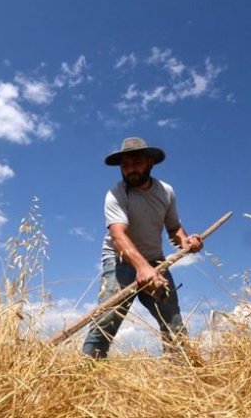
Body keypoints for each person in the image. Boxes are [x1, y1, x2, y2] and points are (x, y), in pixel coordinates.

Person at [82, 137, 203, 359]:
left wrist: (185, 241)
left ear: (150, 163)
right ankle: (82, 374)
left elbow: (174, 227)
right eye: (125, 165)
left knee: (173, 323)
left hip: (156, 261)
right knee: (107, 319)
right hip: (120, 261)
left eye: (136, 163)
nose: (130, 170)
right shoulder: (116, 194)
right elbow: (118, 235)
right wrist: (141, 268)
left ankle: (185, 377)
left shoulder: (166, 192)